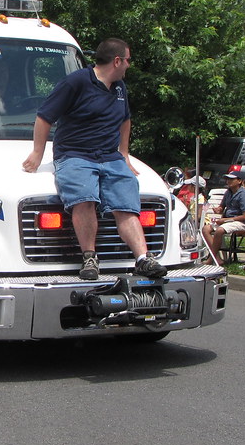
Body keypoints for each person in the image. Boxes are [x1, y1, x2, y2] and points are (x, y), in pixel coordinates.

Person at [22, 38, 166, 281]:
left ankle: (143, 259)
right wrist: (38, 153)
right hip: (75, 155)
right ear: (117, 61)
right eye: (128, 60)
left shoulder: (120, 88)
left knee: (126, 203)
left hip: (110, 157)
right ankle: (90, 258)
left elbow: (125, 120)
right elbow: (45, 116)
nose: (129, 65)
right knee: (84, 198)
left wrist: (124, 153)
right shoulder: (75, 82)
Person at [201, 172, 245, 265]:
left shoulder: (243, 195)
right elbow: (222, 207)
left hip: (242, 223)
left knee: (220, 230)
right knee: (205, 229)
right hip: (228, 221)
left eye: (231, 179)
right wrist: (218, 209)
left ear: (239, 181)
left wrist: (225, 220)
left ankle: (211, 259)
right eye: (227, 179)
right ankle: (217, 258)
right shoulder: (228, 192)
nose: (228, 181)